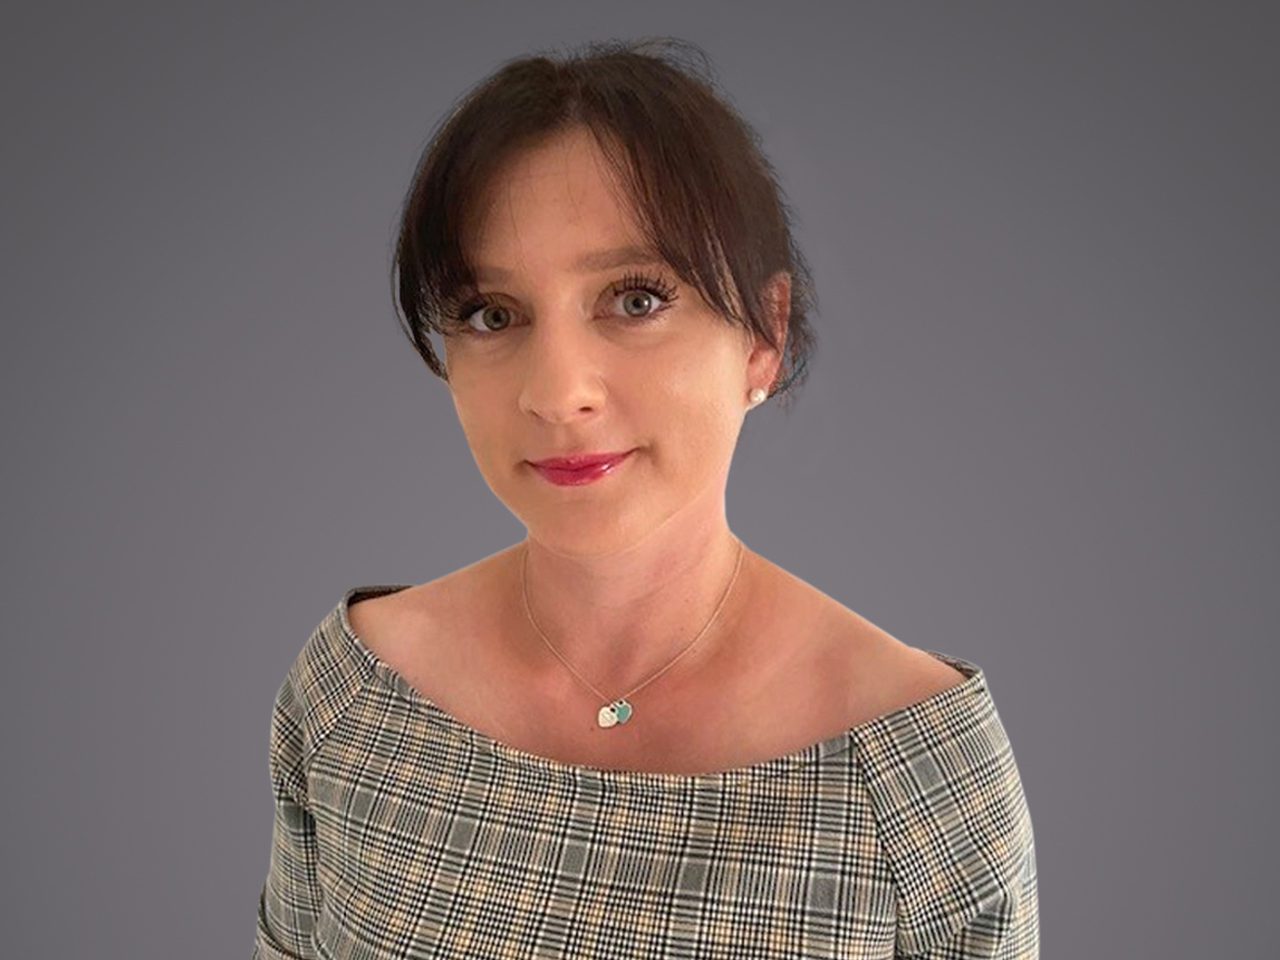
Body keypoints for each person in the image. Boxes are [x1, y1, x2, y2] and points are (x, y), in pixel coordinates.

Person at [251, 37, 1038, 960]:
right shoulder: (354, 693)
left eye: (634, 300)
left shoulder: (920, 778)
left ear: (764, 335)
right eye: (492, 314)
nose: (557, 393)